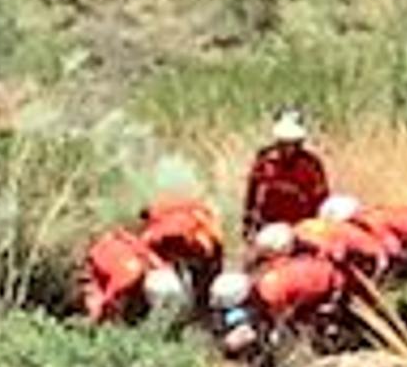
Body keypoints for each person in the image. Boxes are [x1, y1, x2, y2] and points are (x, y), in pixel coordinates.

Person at [242, 109, 330, 240]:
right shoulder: (265, 160)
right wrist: (248, 223)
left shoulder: (311, 164)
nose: (288, 148)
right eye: (284, 143)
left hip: (302, 228)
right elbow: (252, 194)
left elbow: (321, 200)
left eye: (292, 143)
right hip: (269, 227)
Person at [140, 194, 225, 314]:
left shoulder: (155, 233)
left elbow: (211, 252)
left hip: (198, 243)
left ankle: (202, 305)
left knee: (205, 279)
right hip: (190, 239)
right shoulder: (159, 224)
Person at [82, 228, 176, 324]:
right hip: (159, 277)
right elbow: (144, 253)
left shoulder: (101, 256)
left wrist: (105, 302)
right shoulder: (119, 243)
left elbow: (122, 279)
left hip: (151, 282)